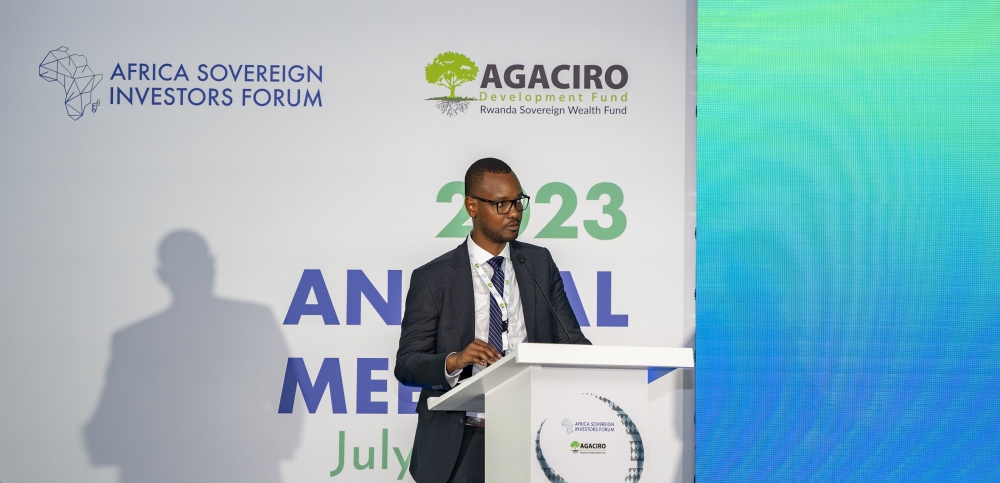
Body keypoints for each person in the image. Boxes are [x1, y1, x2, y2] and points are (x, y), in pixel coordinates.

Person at [394, 158, 591, 483]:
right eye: (501, 204)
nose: (514, 212)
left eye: (518, 201)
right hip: (460, 442)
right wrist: (455, 360)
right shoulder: (434, 278)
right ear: (472, 206)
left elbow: (572, 342)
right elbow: (408, 364)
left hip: (531, 436)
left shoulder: (538, 263)